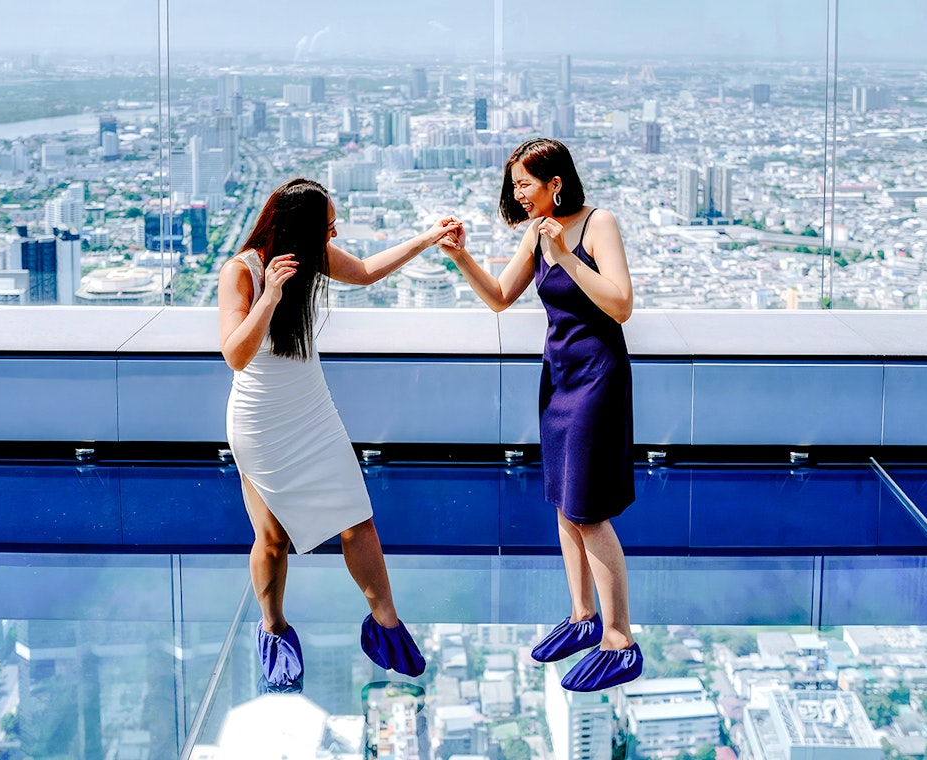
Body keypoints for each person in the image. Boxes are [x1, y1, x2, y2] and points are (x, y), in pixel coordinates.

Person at [218, 177, 461, 690]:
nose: (335, 232)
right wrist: (271, 297)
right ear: (297, 229)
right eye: (327, 225)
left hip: (312, 412)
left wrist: (427, 237)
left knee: (359, 520)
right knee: (272, 538)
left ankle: (387, 626)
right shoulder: (242, 270)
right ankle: (274, 631)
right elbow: (235, 355)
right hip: (260, 421)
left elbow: (369, 272)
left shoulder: (313, 257)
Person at [438, 138, 643, 691]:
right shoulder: (536, 231)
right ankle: (583, 617)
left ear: (555, 182)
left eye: (524, 184)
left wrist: (568, 257)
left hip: (598, 378)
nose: (518, 195)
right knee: (562, 500)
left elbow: (621, 304)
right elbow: (501, 296)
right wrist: (460, 256)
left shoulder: (598, 224)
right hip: (558, 377)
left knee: (588, 509)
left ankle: (620, 640)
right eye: (514, 187)